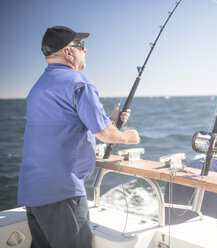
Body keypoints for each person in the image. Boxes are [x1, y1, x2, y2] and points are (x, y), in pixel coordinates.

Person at [17, 26, 140, 248]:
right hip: (62, 192)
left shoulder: (38, 87)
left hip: (32, 191)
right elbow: (104, 134)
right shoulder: (77, 80)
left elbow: (66, 125)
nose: (85, 51)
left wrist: (110, 120)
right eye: (81, 46)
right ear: (68, 51)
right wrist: (128, 136)